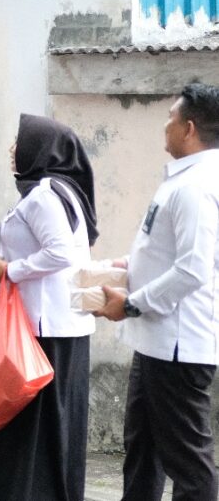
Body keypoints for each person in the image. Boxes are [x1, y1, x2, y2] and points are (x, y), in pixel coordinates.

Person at [94, 83, 219, 500]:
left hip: (177, 347)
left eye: (169, 117)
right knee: (143, 450)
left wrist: (130, 304)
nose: (163, 125)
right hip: (156, 343)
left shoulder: (195, 186)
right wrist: (129, 267)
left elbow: (193, 269)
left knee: (188, 465)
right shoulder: (182, 180)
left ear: (188, 127)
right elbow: (170, 254)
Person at [0, 114, 98, 501]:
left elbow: (59, 252)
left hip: (42, 329)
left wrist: (10, 270)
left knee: (28, 424)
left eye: (20, 142)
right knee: (53, 427)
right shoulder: (61, 189)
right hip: (59, 325)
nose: (13, 149)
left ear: (40, 149)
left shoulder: (45, 193)